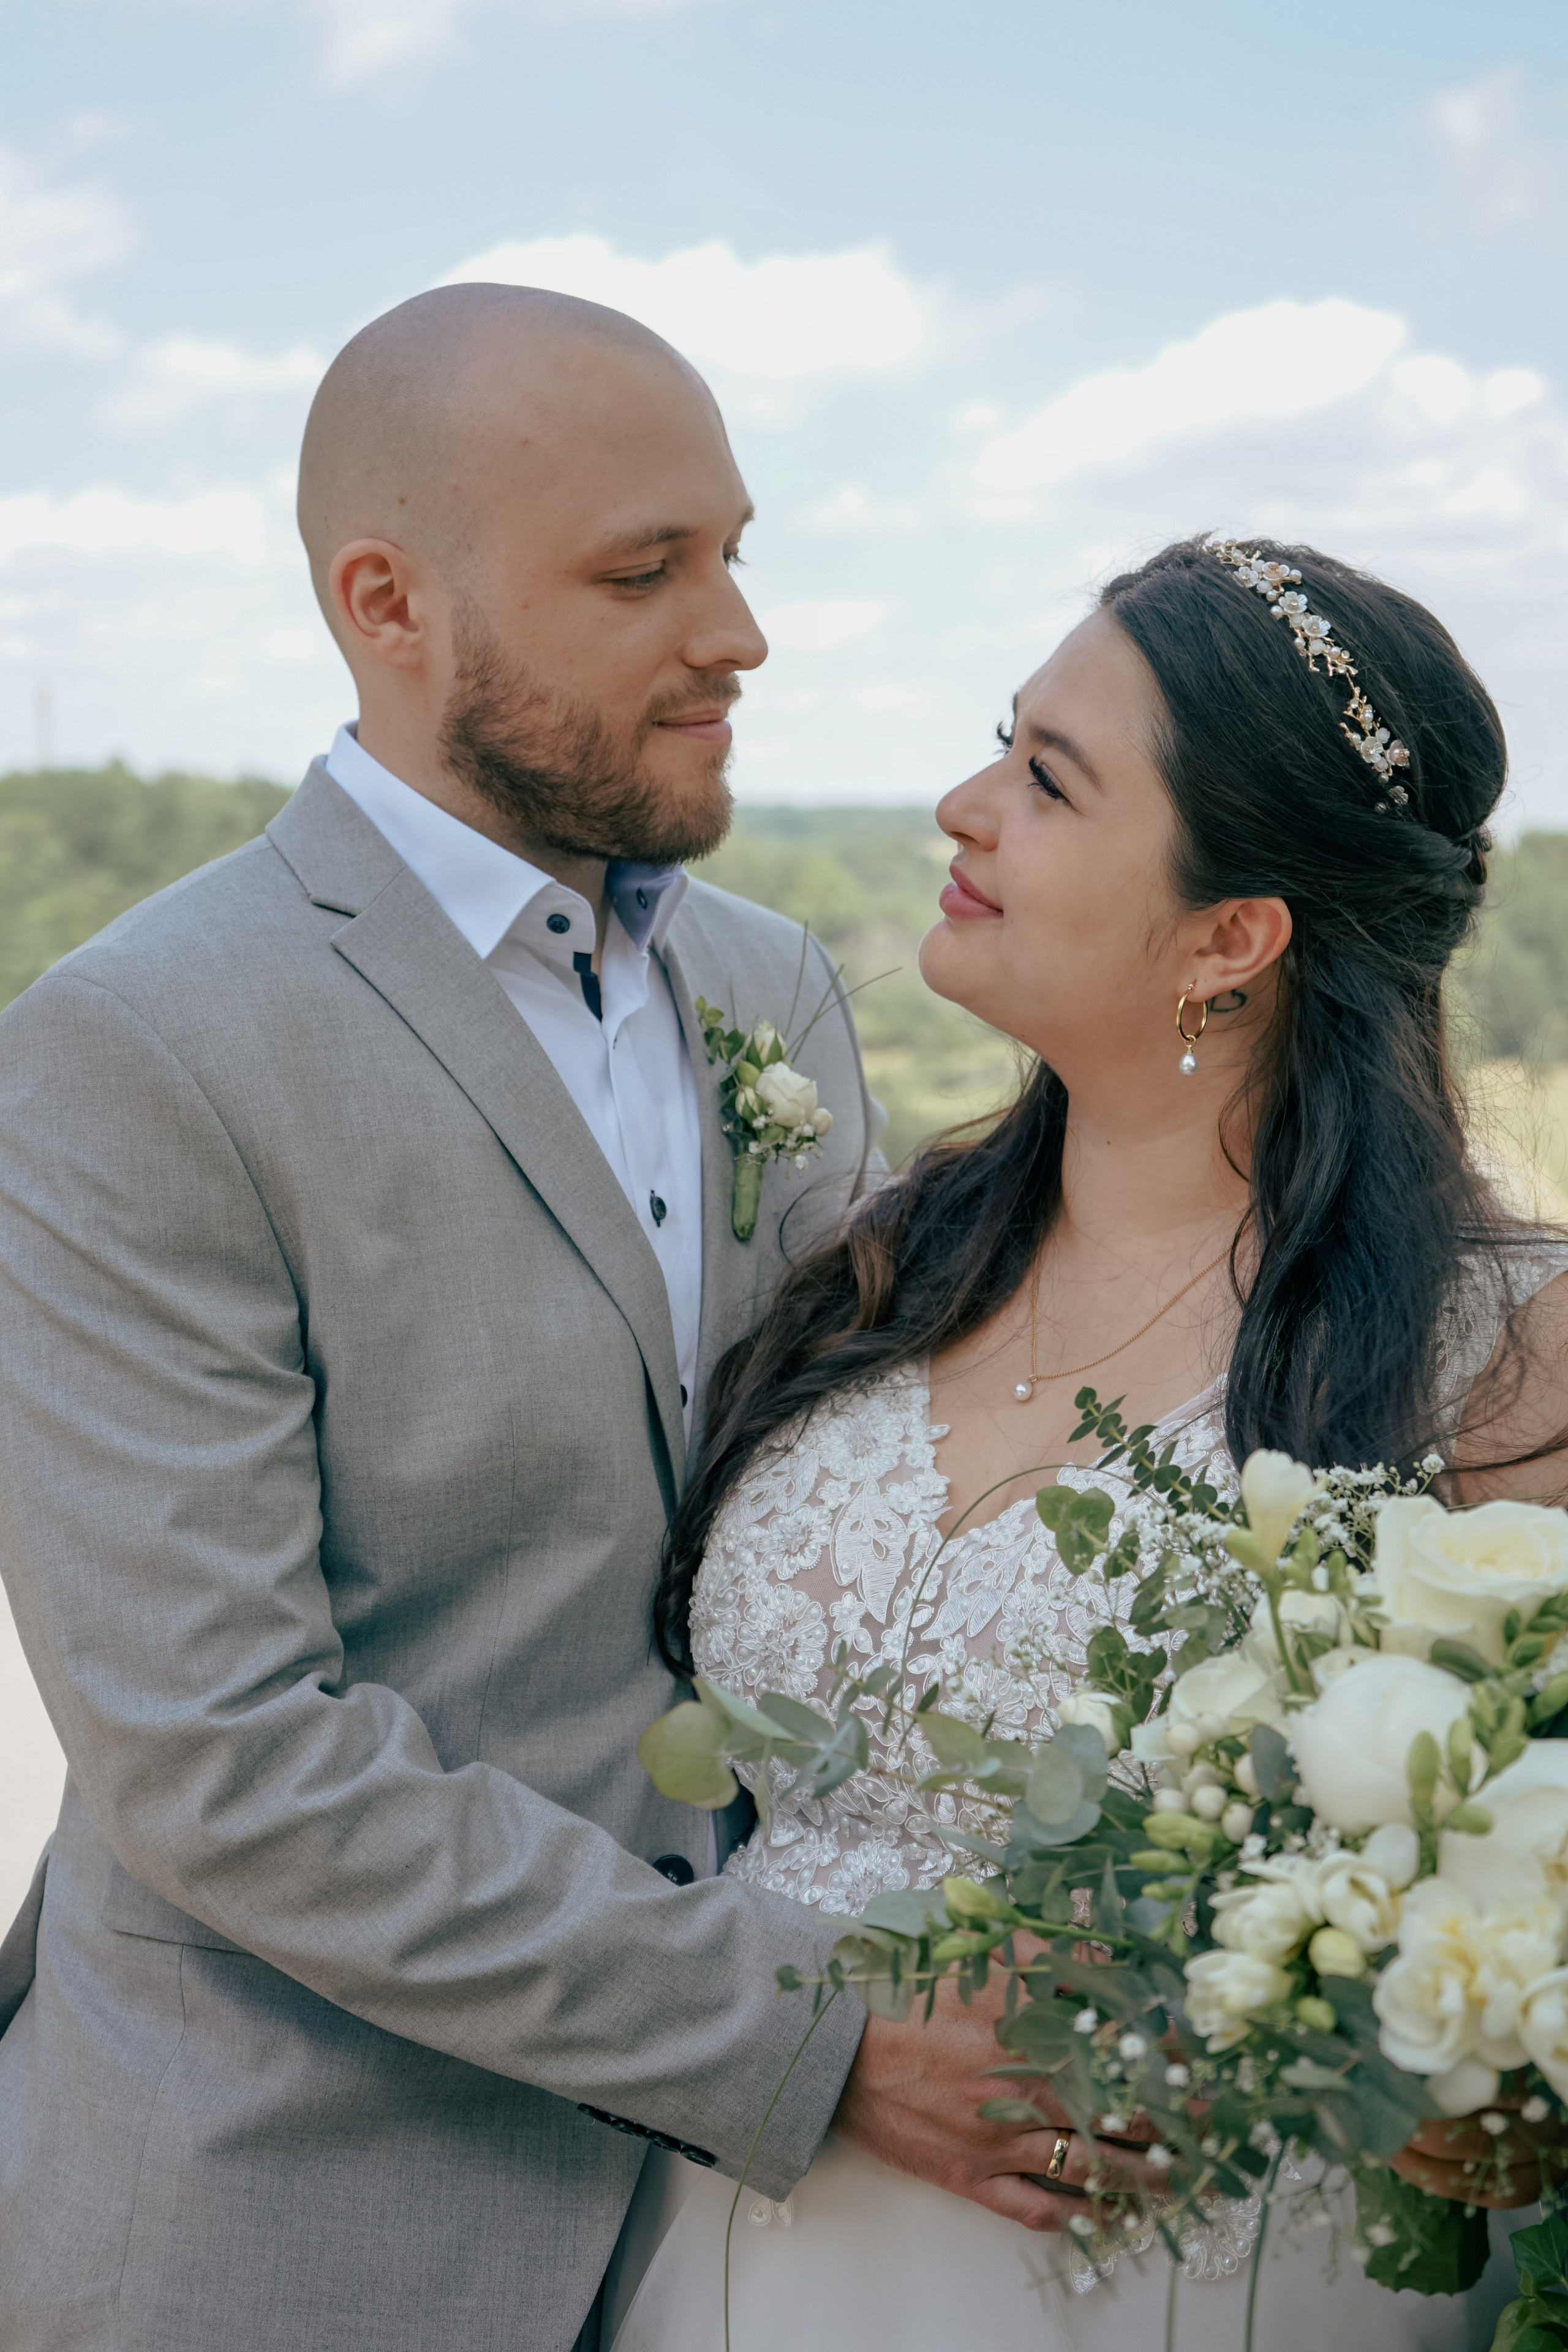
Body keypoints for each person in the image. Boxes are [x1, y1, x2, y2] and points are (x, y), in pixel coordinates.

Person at [0, 286, 1093, 2352]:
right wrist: (808, 2036)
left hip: (764, 2260)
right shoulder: (134, 1052)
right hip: (295, 2223)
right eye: (642, 572)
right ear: (392, 602)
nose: (739, 633)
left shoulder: (773, 991)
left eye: (735, 550)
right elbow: (222, 1754)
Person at [619, 533, 1568, 2349]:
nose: (965, 807)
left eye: (1049, 781)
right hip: (741, 2253)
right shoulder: (878, 1260)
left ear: (1231, 939)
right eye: (1004, 742)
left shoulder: (1507, 1359)